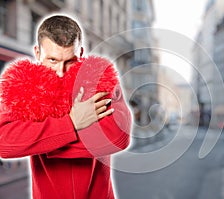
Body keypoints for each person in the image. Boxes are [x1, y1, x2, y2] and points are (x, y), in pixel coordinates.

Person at [0, 15, 132, 199]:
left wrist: (42, 142)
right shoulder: (22, 86)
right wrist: (72, 123)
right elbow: (4, 143)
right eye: (52, 60)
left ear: (81, 54)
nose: (61, 72)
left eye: (70, 61)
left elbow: (118, 137)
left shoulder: (101, 80)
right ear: (37, 53)